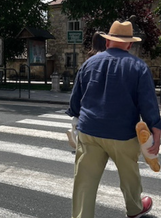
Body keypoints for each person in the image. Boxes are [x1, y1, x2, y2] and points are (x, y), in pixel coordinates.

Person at [66, 20, 161, 218]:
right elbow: (149, 104)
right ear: (128, 45)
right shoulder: (139, 67)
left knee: (84, 181)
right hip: (123, 133)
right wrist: (156, 130)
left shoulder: (88, 64)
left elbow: (75, 102)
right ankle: (135, 208)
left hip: (89, 131)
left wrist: (75, 120)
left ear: (108, 42)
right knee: (130, 175)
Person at [66, 31, 107, 149]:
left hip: (89, 117)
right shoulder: (114, 62)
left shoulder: (88, 63)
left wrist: (74, 112)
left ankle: (75, 135)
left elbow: (76, 94)